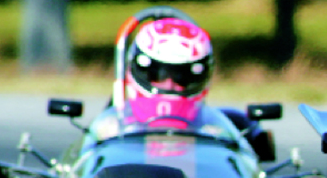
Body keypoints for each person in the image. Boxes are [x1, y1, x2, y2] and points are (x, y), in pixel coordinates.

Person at [89, 16, 235, 142]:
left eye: (181, 76)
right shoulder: (109, 129)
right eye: (158, 74)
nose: (169, 84)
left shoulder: (216, 133)